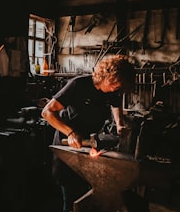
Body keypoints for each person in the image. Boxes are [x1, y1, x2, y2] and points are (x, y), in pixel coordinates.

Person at [41, 54, 136, 212]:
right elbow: (47, 112)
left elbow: (116, 103)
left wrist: (119, 124)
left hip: (89, 149)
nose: (117, 90)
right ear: (107, 77)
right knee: (71, 200)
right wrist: (70, 133)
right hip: (68, 148)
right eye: (116, 86)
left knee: (89, 199)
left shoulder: (111, 91)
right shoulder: (78, 85)